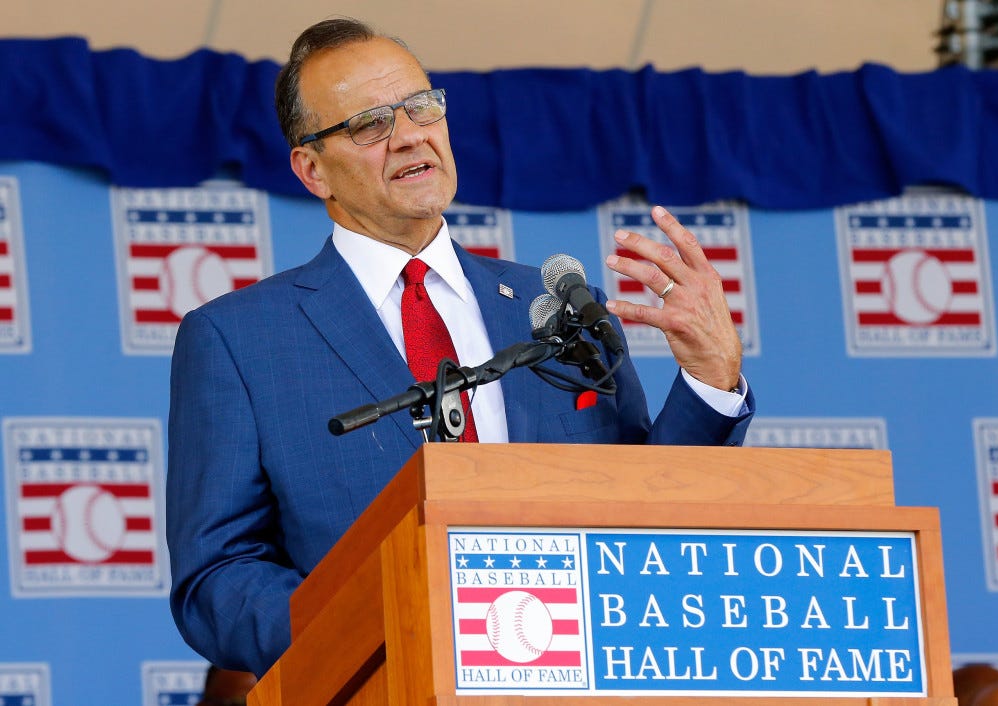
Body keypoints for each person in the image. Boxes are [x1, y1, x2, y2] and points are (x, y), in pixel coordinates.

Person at [166, 17, 754, 677]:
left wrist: (709, 379)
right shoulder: (239, 338)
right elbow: (216, 578)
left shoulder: (559, 309)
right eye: (369, 123)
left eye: (421, 107)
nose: (411, 135)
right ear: (312, 169)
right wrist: (373, 625)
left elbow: (648, 520)